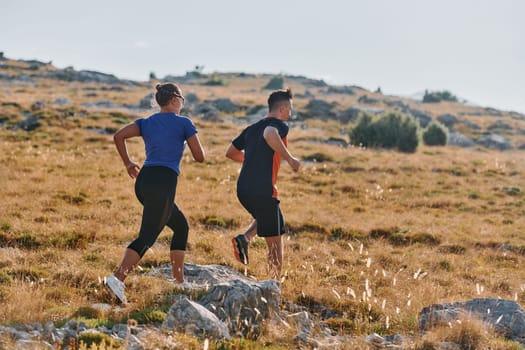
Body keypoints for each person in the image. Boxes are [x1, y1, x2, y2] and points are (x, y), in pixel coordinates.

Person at [105, 83, 205, 303]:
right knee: (147, 236)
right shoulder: (184, 123)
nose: (183, 102)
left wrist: (128, 163)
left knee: (180, 226)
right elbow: (200, 157)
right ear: (174, 100)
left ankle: (179, 282)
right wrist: (185, 137)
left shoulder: (146, 122)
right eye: (182, 98)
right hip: (163, 182)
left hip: (144, 181)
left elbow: (118, 136)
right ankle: (117, 279)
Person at [226, 88, 300, 280]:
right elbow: (269, 133)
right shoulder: (278, 125)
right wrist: (290, 159)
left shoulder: (251, 129)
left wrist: (252, 159)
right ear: (283, 108)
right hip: (263, 190)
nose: (290, 114)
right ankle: (273, 287)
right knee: (275, 245)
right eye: (289, 109)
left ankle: (245, 238)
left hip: (243, 189)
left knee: (273, 218)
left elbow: (231, 153)